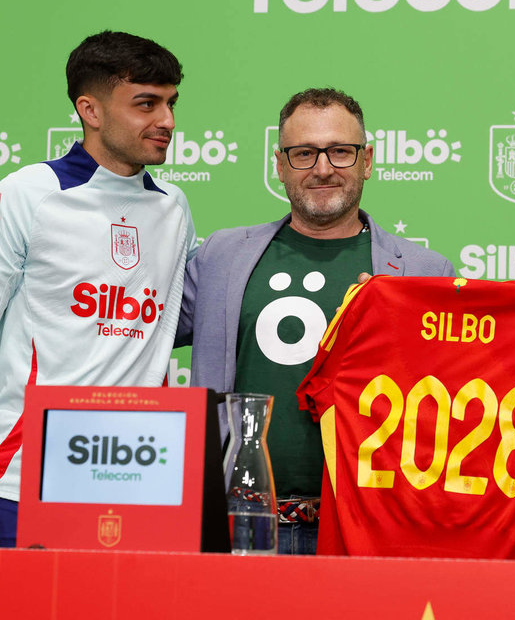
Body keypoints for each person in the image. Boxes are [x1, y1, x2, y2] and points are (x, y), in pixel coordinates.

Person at [0, 31, 195, 548]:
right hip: (21, 481)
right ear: (90, 110)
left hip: (140, 479)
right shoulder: (28, 195)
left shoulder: (174, 206)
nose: (166, 121)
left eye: (170, 103)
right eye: (146, 103)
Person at [177, 87, 454, 555]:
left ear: (366, 161)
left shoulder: (425, 271)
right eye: (304, 153)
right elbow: (131, 330)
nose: (323, 168)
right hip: (240, 525)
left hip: (364, 529)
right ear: (280, 165)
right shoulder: (221, 256)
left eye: (340, 152)